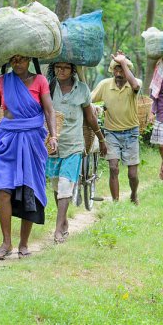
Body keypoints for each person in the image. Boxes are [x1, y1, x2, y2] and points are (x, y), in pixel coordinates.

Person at [0, 55, 57, 260]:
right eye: (14, 60)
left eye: (22, 59)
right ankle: (6, 243)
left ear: (29, 60)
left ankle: (24, 244)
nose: (18, 63)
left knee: (28, 191)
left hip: (32, 140)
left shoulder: (41, 81)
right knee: (2, 189)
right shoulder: (2, 81)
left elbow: (49, 110)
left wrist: (53, 135)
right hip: (6, 139)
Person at [46, 62, 107, 244]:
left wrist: (101, 139)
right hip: (54, 145)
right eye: (58, 67)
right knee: (57, 187)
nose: (61, 71)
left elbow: (90, 117)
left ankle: (57, 230)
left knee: (66, 185)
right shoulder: (49, 86)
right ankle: (63, 222)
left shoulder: (82, 89)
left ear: (73, 70)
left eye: (65, 67)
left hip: (74, 145)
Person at [91, 51, 142, 204]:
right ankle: (116, 202)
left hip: (131, 132)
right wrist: (93, 108)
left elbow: (135, 85)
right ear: (112, 70)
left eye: (122, 69)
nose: (119, 73)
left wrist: (124, 62)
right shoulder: (105, 85)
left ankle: (133, 194)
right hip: (111, 133)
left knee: (132, 174)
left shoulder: (134, 82)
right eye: (116, 69)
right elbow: (89, 100)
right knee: (113, 168)